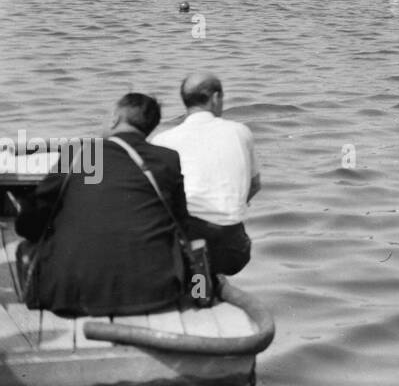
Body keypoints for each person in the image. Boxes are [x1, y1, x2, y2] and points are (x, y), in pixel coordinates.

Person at [17, 93, 191, 317]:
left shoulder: (80, 153)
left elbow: (31, 222)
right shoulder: (167, 158)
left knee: (26, 247)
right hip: (157, 293)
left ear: (114, 119)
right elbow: (182, 224)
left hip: (72, 296)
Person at [151, 73, 259, 277]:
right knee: (210, 272)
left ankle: (201, 283)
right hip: (233, 247)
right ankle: (211, 283)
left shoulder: (162, 140)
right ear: (215, 98)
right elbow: (254, 185)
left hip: (188, 238)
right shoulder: (240, 132)